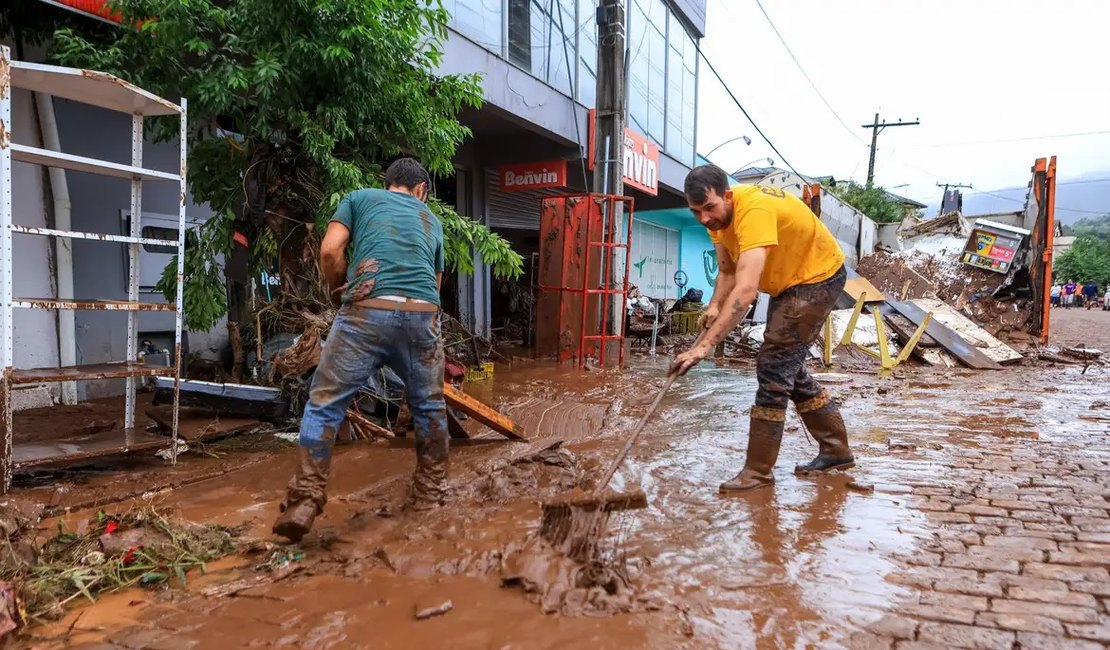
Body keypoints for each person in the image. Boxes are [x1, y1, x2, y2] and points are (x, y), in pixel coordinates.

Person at [272, 158, 450, 542]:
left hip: (366, 312)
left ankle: (305, 500)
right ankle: (430, 496)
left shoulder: (358, 198)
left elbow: (330, 251)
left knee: (325, 403)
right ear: (421, 190)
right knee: (429, 406)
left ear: (388, 184)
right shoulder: (432, 221)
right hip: (422, 316)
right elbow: (435, 286)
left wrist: (338, 288)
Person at [671, 164, 852, 493]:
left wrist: (704, 346)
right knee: (786, 367)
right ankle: (836, 450)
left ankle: (757, 472)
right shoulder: (717, 218)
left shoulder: (752, 211)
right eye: (695, 211)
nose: (704, 218)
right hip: (789, 283)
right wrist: (713, 305)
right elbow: (726, 272)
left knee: (773, 366)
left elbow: (745, 290)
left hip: (818, 276)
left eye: (709, 208)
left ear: (727, 195)